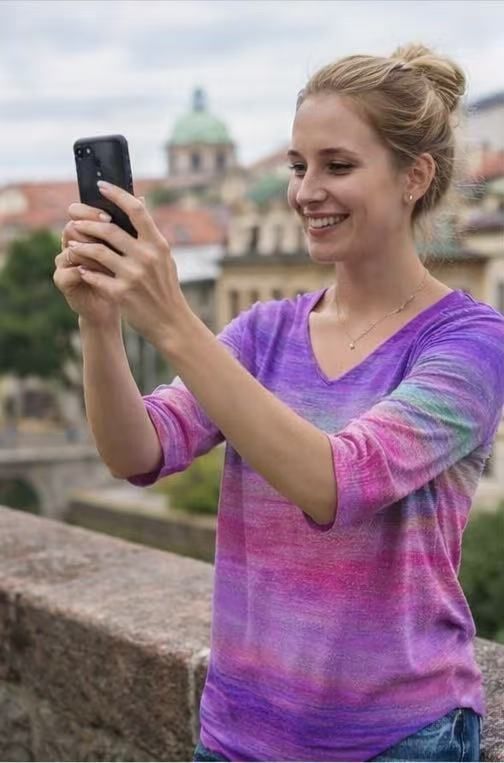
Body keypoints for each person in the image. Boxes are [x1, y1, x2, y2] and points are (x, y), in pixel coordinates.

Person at [53, 41, 502, 762]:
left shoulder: (470, 342)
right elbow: (137, 452)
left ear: (415, 176)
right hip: (240, 731)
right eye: (298, 166)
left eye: (338, 166)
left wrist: (171, 321)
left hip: (398, 737)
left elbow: (340, 483)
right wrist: (100, 323)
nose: (306, 191)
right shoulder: (265, 331)